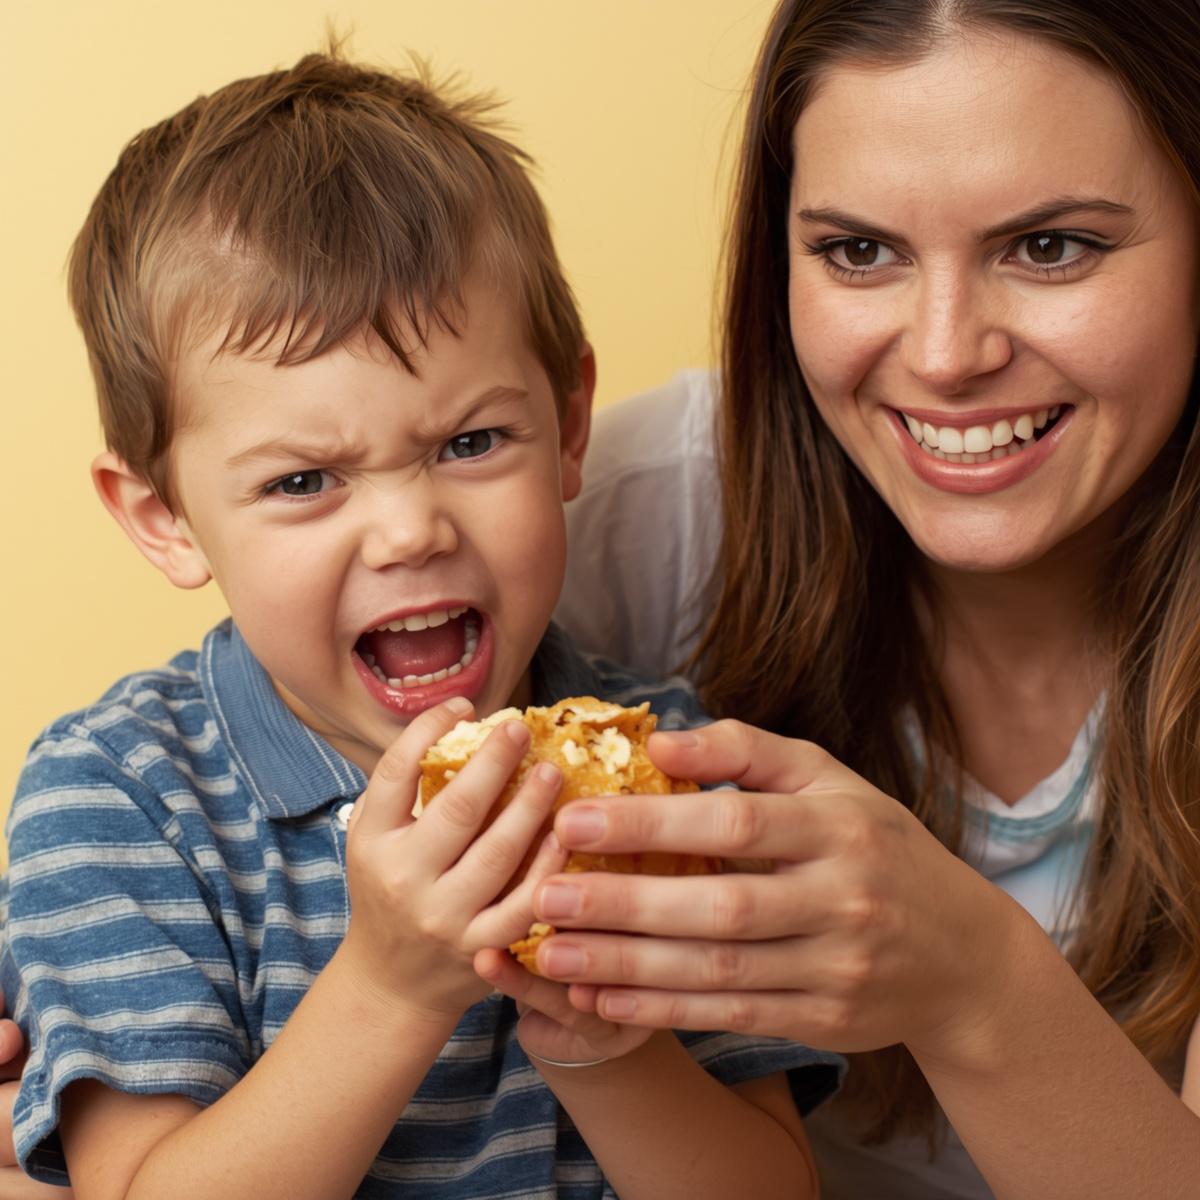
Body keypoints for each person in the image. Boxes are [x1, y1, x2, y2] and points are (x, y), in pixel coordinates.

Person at [0, 51, 841, 1200]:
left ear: (571, 421)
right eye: (303, 482)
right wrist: (391, 989)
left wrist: (609, 1047)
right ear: (165, 518)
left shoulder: (672, 769)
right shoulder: (120, 802)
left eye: (470, 443)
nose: (408, 532)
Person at [542, 1, 1200, 1196]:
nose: (946, 355)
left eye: (1050, 247)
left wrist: (970, 983)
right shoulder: (633, 527)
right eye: (858, 252)